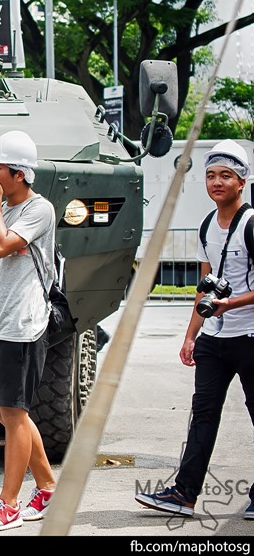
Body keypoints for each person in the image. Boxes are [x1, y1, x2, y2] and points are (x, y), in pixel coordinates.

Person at [135, 139, 254, 521]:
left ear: (242, 181)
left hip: (250, 337)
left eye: (225, 175)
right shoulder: (206, 225)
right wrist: (191, 335)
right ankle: (183, 495)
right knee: (202, 416)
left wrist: (230, 304)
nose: (216, 182)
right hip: (214, 340)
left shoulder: (251, 224)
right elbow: (204, 287)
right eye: (210, 176)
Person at [0, 130, 58, 532]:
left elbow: (3, 246)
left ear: (19, 174)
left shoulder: (41, 210)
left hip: (23, 326)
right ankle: (49, 487)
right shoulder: (4, 210)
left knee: (16, 413)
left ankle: (9, 504)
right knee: (6, 412)